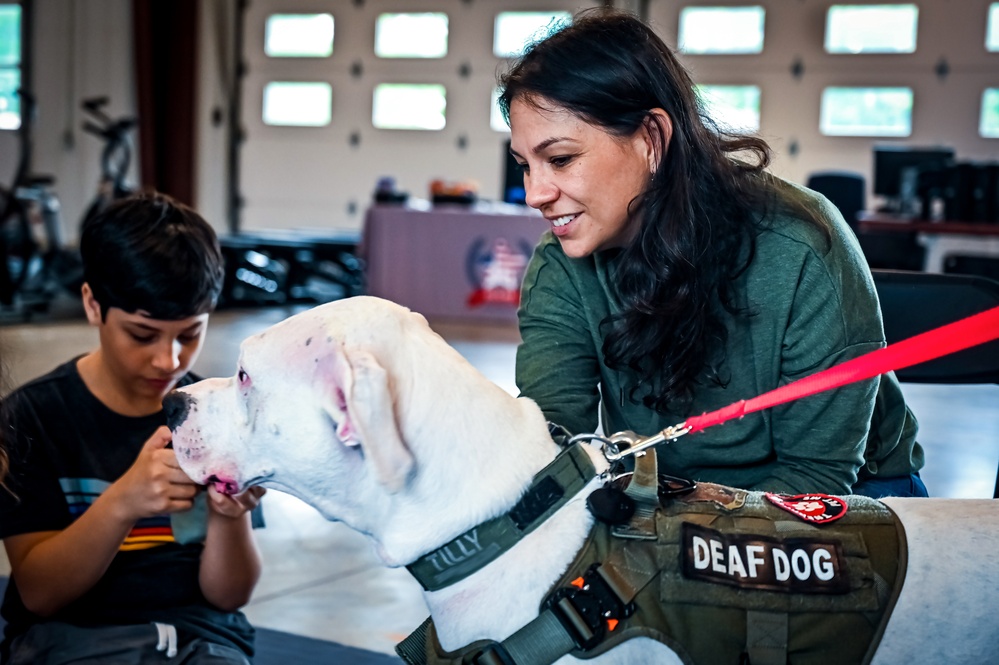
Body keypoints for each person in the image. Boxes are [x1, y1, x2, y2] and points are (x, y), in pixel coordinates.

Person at [500, 8, 926, 499]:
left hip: (847, 496)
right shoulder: (562, 263)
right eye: (524, 166)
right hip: (676, 500)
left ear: (652, 139)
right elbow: (556, 442)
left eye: (559, 159)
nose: (535, 193)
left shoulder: (802, 245)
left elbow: (817, 475)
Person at [0, 192, 266, 664]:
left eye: (190, 333)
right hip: (72, 640)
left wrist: (229, 517)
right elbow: (39, 593)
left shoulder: (217, 412)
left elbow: (229, 597)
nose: (170, 360)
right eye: (142, 335)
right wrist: (124, 501)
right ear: (92, 304)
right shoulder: (31, 419)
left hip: (199, 640)